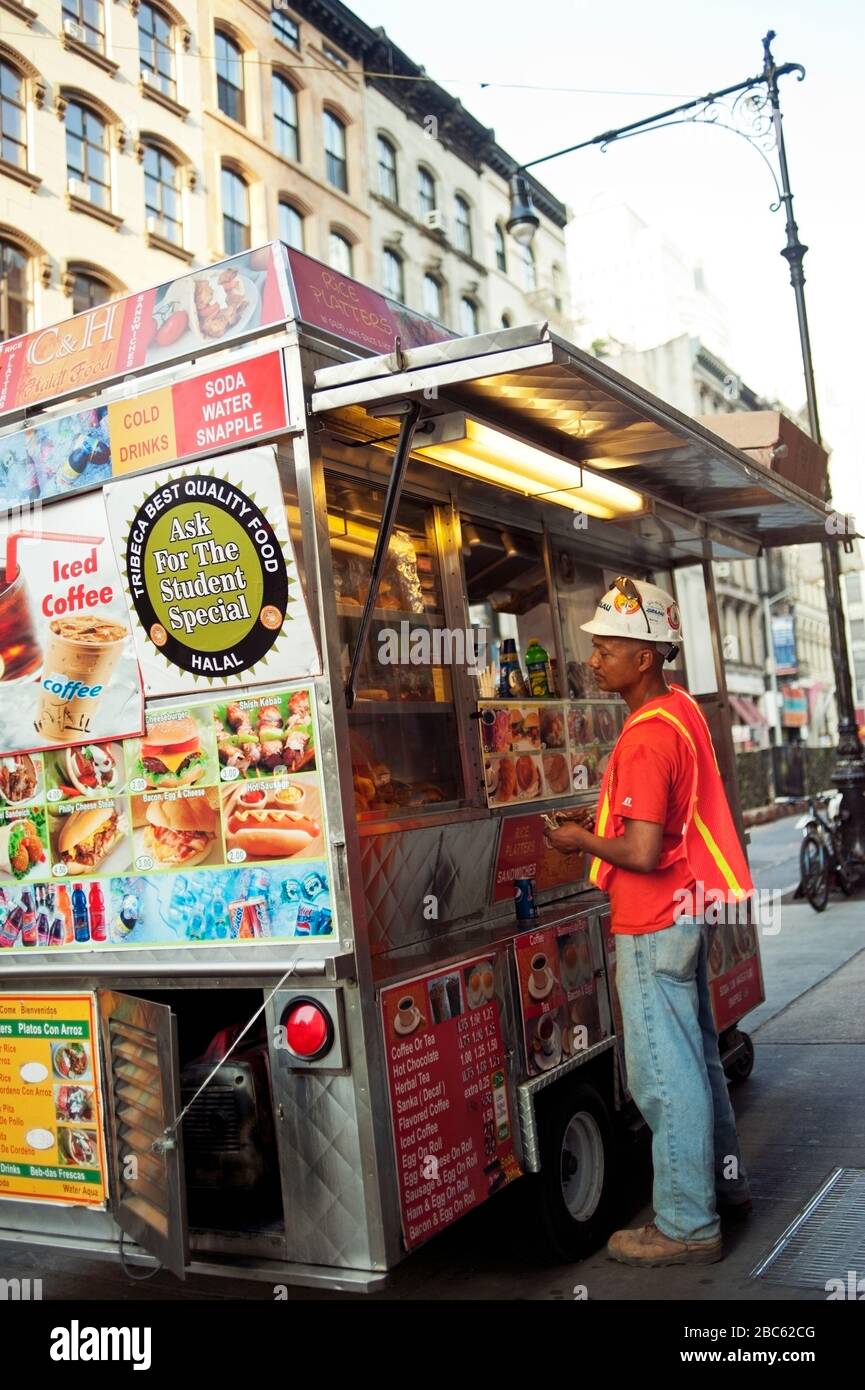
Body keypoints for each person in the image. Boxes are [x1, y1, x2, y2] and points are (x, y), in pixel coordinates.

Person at [544, 576, 754, 1267]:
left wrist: (579, 843)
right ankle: (722, 1190)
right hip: (685, 908)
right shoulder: (680, 710)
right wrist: (596, 823)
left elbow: (637, 850)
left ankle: (685, 1225)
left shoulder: (642, 740)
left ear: (644, 657)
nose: (594, 658)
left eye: (606, 648)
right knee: (696, 1058)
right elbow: (652, 826)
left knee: (662, 1077)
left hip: (651, 919)